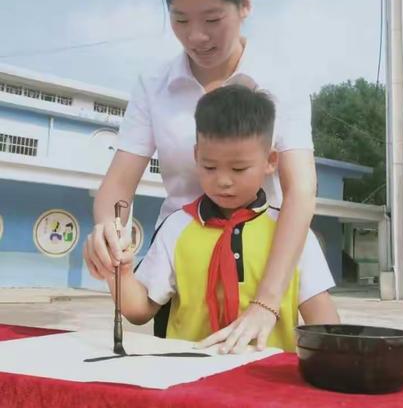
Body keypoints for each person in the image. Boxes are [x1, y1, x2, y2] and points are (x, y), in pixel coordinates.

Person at [83, 0, 319, 353]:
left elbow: (301, 188)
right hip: (181, 261)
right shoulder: (154, 86)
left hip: (265, 257)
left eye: (212, 20)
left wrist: (267, 302)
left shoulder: (281, 80)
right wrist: (108, 236)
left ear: (244, 5)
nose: (196, 37)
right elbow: (117, 187)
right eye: (180, 20)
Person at [100, 85, 339, 352]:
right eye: (209, 166)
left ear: (271, 161)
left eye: (239, 168)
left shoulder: (291, 235)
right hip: (186, 380)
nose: (223, 181)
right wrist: (118, 273)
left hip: (268, 384)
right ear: (195, 156)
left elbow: (324, 322)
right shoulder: (177, 228)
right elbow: (139, 310)